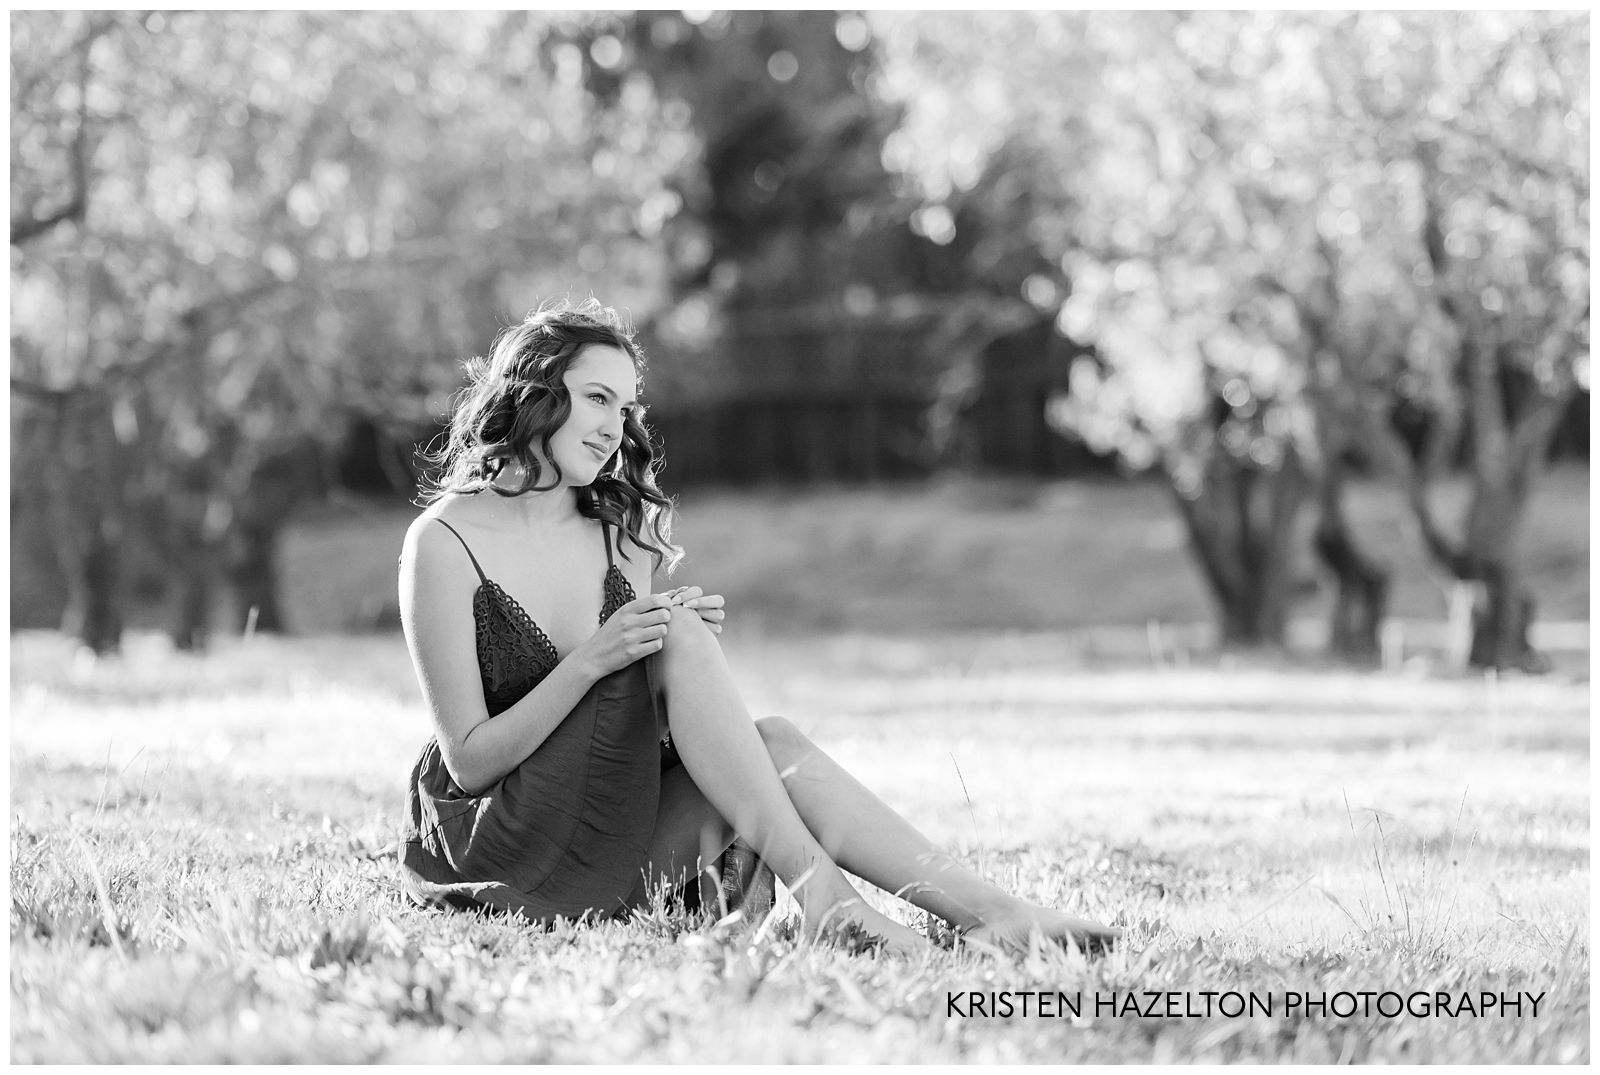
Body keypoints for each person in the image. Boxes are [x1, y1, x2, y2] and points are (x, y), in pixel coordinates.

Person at [396, 299, 1120, 956]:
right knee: (687, 652)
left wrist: (664, 667)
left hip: (603, 826)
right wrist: (597, 658)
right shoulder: (443, 543)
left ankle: (990, 910)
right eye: (595, 398)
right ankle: (826, 898)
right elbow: (469, 762)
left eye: (625, 406)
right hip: (505, 844)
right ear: (533, 394)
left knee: (771, 740)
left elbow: (621, 745)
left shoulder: (618, 533)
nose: (615, 426)